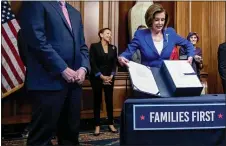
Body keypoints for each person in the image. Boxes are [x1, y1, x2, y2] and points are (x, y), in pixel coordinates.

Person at [18, 1, 90, 145]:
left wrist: (83, 68)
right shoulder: (35, 3)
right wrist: (62, 69)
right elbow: (37, 41)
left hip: (74, 84)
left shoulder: (74, 12)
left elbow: (82, 46)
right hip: (48, 83)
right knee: (41, 138)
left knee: (70, 136)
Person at [118, 3, 194, 68]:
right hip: (147, 77)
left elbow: (188, 44)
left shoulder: (170, 33)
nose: (160, 23)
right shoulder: (140, 35)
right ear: (150, 19)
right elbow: (128, 52)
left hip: (166, 77)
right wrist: (122, 57)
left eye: (162, 20)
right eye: (157, 20)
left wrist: (190, 56)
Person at [89, 28, 118, 136]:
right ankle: (97, 125)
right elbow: (92, 62)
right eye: (107, 33)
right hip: (97, 78)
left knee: (109, 100)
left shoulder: (113, 48)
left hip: (110, 78)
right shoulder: (94, 46)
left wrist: (111, 76)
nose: (109, 35)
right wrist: (101, 76)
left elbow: (114, 63)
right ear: (101, 35)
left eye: (110, 33)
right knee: (97, 101)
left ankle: (110, 123)